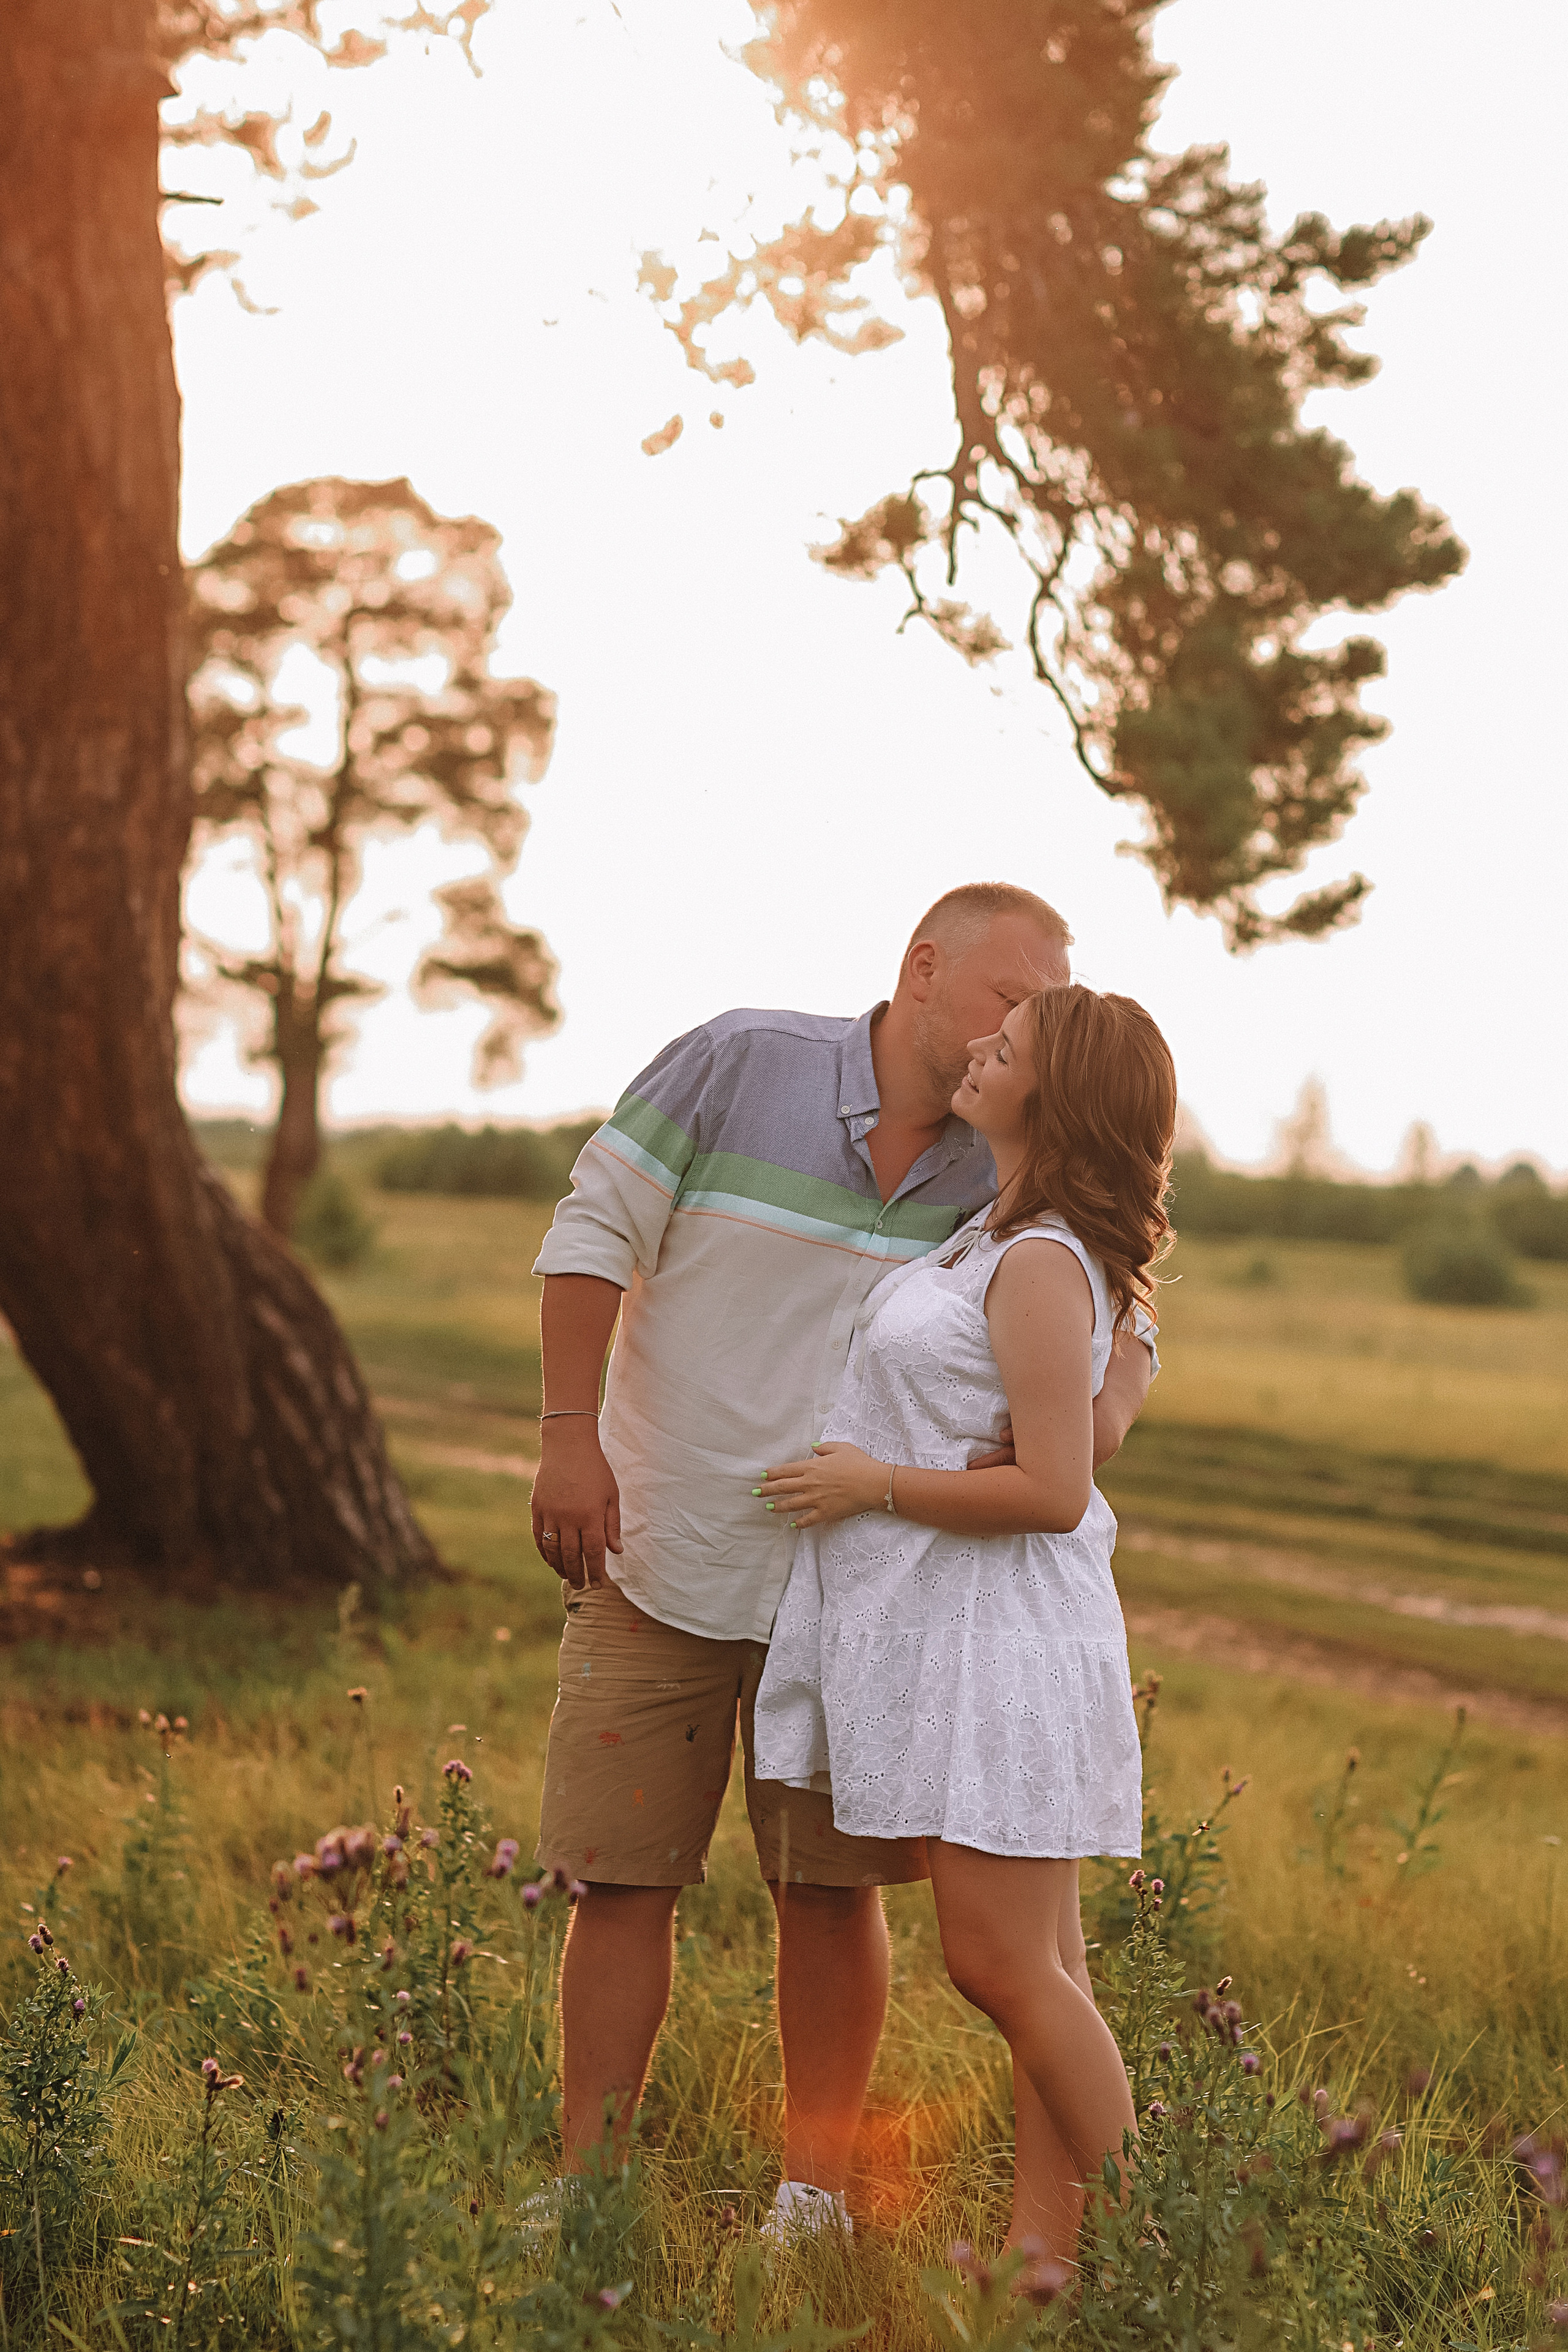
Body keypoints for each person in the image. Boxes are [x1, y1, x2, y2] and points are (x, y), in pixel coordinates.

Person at [528, 884, 1156, 2239]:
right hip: (665, 1550)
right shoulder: (741, 1062)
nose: (1016, 1030)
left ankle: (813, 2195)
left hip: (867, 1605)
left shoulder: (1004, 1170)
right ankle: (584, 2197)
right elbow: (589, 1232)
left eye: (1036, 1020)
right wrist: (565, 1436)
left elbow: (1113, 1292)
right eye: (1006, 1000)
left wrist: (1087, 1417)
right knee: (621, 1874)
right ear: (921, 968)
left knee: (826, 1897)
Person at [751, 982, 1177, 2266]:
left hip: (1002, 1641)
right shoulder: (994, 1238)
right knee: (1044, 1971)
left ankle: (1166, 2248)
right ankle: (1042, 2266)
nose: (978, 1053)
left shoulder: (1038, 1259)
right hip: (958, 1630)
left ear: (1057, 1094)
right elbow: (1079, 1415)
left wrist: (869, 1483)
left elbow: (1054, 1490)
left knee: (1000, 1966)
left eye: (1007, 1049)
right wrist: (1130, 1352)